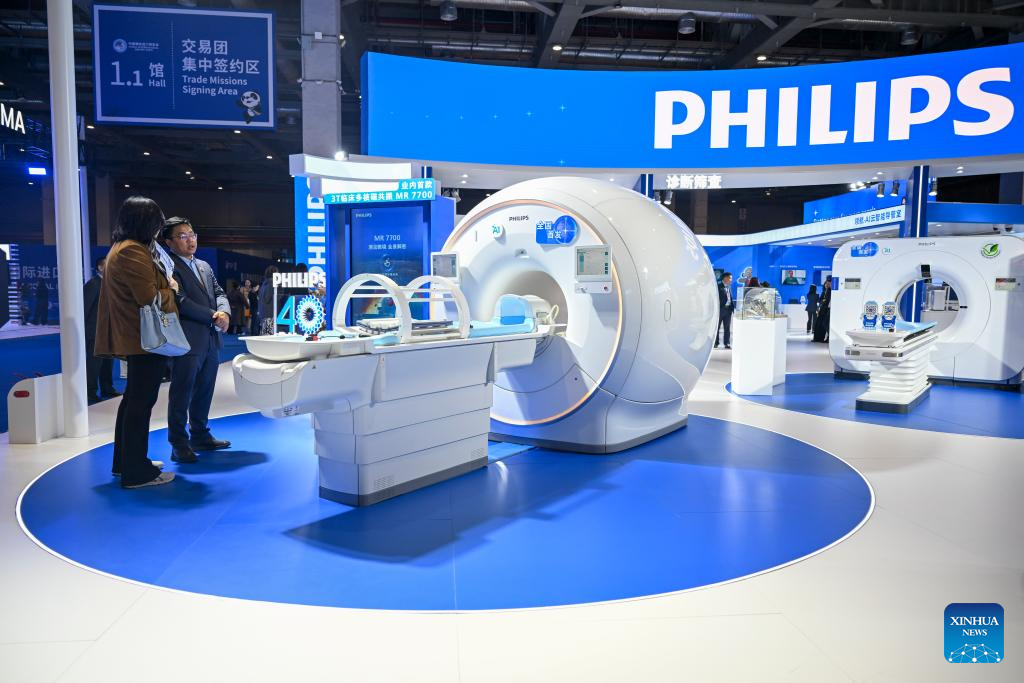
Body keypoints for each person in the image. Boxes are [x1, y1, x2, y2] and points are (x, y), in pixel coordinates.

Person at [95, 196, 177, 488]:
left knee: (133, 400)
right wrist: (171, 288)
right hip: (143, 338)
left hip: (136, 337)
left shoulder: (121, 248)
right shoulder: (133, 251)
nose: (157, 230)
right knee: (140, 404)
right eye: (156, 223)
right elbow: (149, 297)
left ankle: (126, 462)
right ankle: (136, 471)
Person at [161, 217, 233, 464]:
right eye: (182, 236)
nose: (190, 240)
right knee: (181, 394)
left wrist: (224, 312)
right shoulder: (168, 267)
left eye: (192, 235)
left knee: (205, 390)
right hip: (186, 340)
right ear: (169, 242)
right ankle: (178, 443)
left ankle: (200, 435)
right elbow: (179, 300)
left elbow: (219, 292)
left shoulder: (203, 265)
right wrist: (213, 315)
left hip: (210, 339)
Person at [83, 256, 120, 404]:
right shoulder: (93, 284)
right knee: (94, 364)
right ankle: (90, 392)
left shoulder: (110, 284)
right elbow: (85, 309)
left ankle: (107, 388)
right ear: (100, 267)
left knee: (107, 362)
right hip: (95, 332)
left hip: (109, 330)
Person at [715, 272, 734, 349]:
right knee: (717, 327)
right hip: (720, 310)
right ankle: (716, 343)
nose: (731, 280)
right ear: (725, 278)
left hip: (728, 311)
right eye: (730, 278)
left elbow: (730, 298)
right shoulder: (718, 287)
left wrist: (732, 309)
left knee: (727, 328)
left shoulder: (728, 287)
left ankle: (727, 343)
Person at [258, 265, 278, 335]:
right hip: (269, 315)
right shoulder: (271, 284)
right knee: (269, 337)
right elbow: (267, 298)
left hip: (263, 314)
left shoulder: (264, 284)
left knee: (265, 336)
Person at [813, 277, 832, 343]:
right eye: (826, 284)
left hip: (826, 310)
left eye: (828, 283)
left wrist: (823, 301)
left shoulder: (830, 291)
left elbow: (825, 300)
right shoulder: (824, 292)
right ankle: (818, 338)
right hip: (822, 309)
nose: (826, 285)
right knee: (820, 323)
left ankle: (826, 338)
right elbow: (821, 300)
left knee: (825, 324)